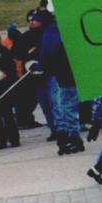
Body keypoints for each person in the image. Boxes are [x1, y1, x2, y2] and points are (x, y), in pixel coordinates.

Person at [36, 12, 84, 154]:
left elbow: (46, 55)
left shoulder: (49, 34)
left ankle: (72, 138)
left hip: (62, 75)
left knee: (64, 108)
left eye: (36, 20)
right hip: (71, 73)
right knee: (67, 107)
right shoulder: (61, 30)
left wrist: (39, 66)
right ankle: (69, 138)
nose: (33, 22)